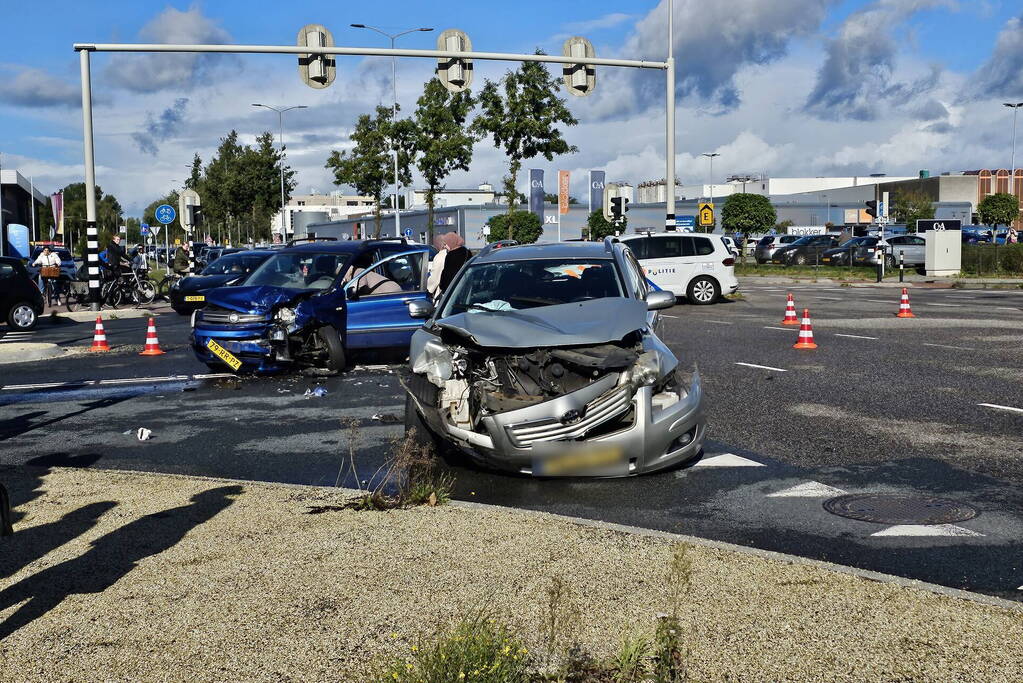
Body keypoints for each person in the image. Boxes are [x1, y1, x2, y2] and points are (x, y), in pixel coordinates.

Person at [426, 234, 448, 300]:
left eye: (435, 244)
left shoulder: (440, 256)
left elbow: (434, 278)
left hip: (443, 294)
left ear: (439, 244)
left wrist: (428, 291)